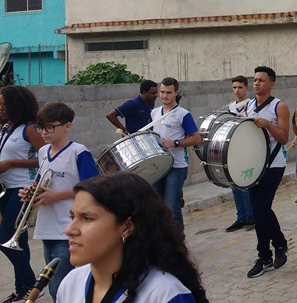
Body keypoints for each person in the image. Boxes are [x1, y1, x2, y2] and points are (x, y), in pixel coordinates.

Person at [58, 172, 209, 302]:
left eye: (87, 218)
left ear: (127, 227)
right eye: (73, 217)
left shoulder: (164, 293)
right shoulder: (71, 283)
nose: (69, 230)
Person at [26, 102, 100, 300]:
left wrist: (56, 195)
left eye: (50, 127)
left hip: (68, 227)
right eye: (41, 127)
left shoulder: (78, 152)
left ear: (67, 126)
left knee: (59, 286)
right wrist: (31, 193)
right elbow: (41, 182)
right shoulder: (42, 153)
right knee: (52, 282)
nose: (44, 132)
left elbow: (92, 186)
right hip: (47, 227)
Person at [0, 86, 45, 303]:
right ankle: (23, 289)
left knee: (5, 237)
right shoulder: (7, 128)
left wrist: (10, 163)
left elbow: (46, 157)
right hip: (7, 189)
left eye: (4, 105)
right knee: (19, 241)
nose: (0, 108)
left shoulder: (29, 129)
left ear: (16, 106)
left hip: (23, 190)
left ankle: (31, 284)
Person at [246, 66, 290, 277]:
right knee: (257, 211)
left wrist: (268, 126)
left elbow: (283, 138)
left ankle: (279, 244)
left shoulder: (279, 106)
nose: (256, 83)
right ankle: (264, 256)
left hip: (274, 164)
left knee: (261, 207)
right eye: (254, 80)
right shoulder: (248, 105)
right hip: (254, 165)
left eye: (261, 80)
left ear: (271, 83)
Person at [151, 77, 202, 229]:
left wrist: (176, 143)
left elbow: (196, 138)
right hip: (159, 166)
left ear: (176, 93)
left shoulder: (183, 114)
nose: (164, 96)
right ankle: (165, 241)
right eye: (162, 92)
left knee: (172, 206)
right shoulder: (154, 113)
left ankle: (178, 242)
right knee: (158, 206)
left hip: (177, 166)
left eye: (168, 92)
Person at [225, 76, 255, 233]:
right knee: (234, 184)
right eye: (234, 87)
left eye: (240, 87)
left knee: (244, 183)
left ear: (246, 88)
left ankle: (251, 217)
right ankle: (241, 217)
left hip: (246, 148)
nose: (237, 90)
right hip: (233, 149)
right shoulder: (230, 106)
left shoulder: (251, 104)